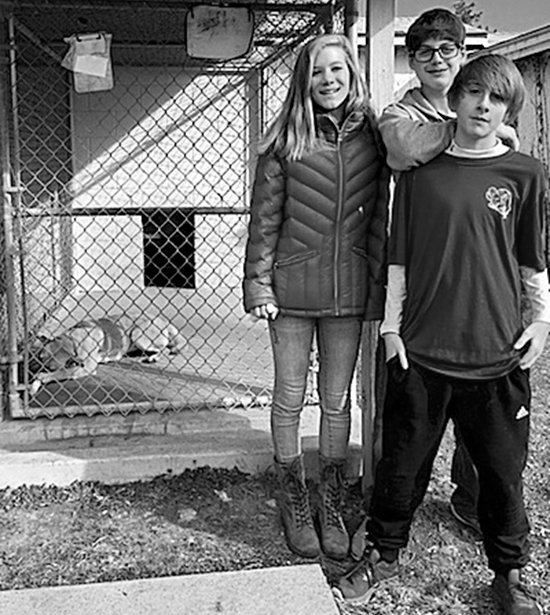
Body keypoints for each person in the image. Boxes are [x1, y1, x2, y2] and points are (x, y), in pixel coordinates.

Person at [336, 54, 549, 615]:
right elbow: (400, 263)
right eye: (475, 93)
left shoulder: (525, 174)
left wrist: (542, 322)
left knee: (502, 476)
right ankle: (382, 554)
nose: (484, 106)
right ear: (454, 100)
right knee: (401, 467)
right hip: (422, 356)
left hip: (497, 359)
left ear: (508, 109)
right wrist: (390, 330)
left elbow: (532, 260)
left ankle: (508, 575)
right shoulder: (419, 178)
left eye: (497, 99)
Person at [242, 33, 389, 561]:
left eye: (337, 71)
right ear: (304, 80)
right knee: (287, 395)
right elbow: (264, 223)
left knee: (335, 400)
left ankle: (331, 492)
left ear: (352, 75)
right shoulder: (286, 141)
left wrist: (375, 292)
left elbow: (378, 223)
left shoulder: (376, 138)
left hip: (349, 295)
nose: (329, 81)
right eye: (318, 72)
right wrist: (258, 284)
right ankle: (293, 492)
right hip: (290, 294)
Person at [377, 7, 519, 537]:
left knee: (480, 412)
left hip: (481, 284)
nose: (437, 59)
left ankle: (469, 497)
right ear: (411, 60)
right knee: (411, 412)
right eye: (424, 51)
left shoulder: (486, 104)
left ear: (463, 56)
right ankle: (390, 503)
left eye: (448, 50)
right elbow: (403, 147)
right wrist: (472, 135)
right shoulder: (398, 113)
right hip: (421, 274)